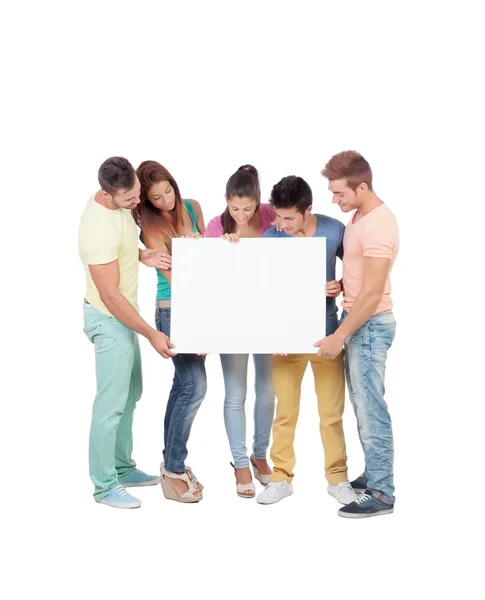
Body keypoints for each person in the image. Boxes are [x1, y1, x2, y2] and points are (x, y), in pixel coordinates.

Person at [79, 156, 176, 509]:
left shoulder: (121, 200)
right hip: (108, 317)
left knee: (131, 393)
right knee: (110, 405)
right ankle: (104, 486)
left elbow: (119, 249)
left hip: (124, 316)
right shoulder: (97, 228)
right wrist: (151, 333)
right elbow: (110, 295)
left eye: (137, 194)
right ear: (109, 195)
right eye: (130, 200)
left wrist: (141, 255)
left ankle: (122, 467)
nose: (138, 203)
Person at [256, 175, 357, 506]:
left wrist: (340, 285)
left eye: (289, 218)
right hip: (286, 340)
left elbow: (356, 270)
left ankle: (337, 479)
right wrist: (271, 333)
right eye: (277, 216)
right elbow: (262, 292)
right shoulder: (270, 237)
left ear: (308, 210)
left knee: (331, 412)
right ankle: (281, 478)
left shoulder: (333, 230)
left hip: (326, 336)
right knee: (285, 412)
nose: (281, 224)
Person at [317, 150, 399, 518]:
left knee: (371, 410)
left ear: (361, 186)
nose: (335, 201)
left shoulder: (379, 224)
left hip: (368, 325)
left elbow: (371, 292)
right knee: (361, 407)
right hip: (357, 322)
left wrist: (338, 336)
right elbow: (358, 279)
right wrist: (339, 285)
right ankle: (375, 472)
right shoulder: (359, 216)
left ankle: (382, 493)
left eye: (340, 194)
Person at [134, 160, 207, 503]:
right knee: (194, 386)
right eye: (157, 198)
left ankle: (171, 462)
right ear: (147, 201)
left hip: (199, 302)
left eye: (168, 192)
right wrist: (200, 325)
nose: (166, 201)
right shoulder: (149, 225)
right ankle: (174, 467)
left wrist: (197, 244)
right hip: (175, 308)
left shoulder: (192, 207)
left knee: (183, 386)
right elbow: (174, 278)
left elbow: (210, 257)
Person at [204, 165, 276, 498]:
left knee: (267, 391)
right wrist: (221, 247)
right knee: (236, 394)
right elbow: (206, 275)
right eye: (235, 208)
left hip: (268, 315)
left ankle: (259, 454)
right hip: (231, 319)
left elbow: (289, 254)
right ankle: (239, 463)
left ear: (258, 201)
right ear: (226, 202)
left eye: (248, 208)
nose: (242, 214)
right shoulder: (217, 225)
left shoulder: (271, 215)